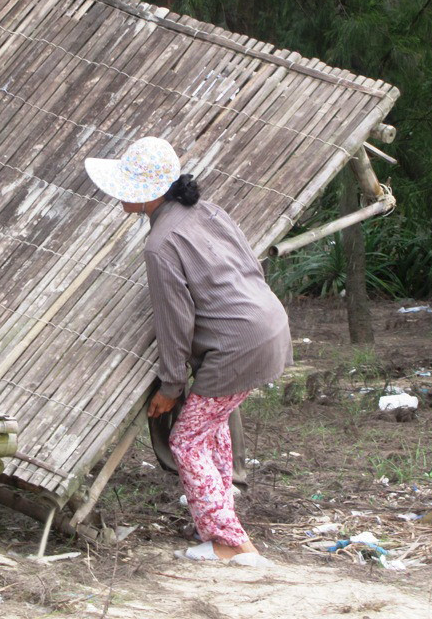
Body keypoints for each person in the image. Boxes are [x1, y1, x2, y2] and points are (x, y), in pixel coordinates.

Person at [84, 137, 290, 564]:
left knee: (186, 439)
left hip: (236, 344)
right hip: (269, 324)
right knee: (209, 429)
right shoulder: (209, 212)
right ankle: (221, 526)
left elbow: (175, 323)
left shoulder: (161, 245)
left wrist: (171, 384)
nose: (120, 194)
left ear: (148, 194)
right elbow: (250, 268)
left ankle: (229, 543)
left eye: (127, 186)